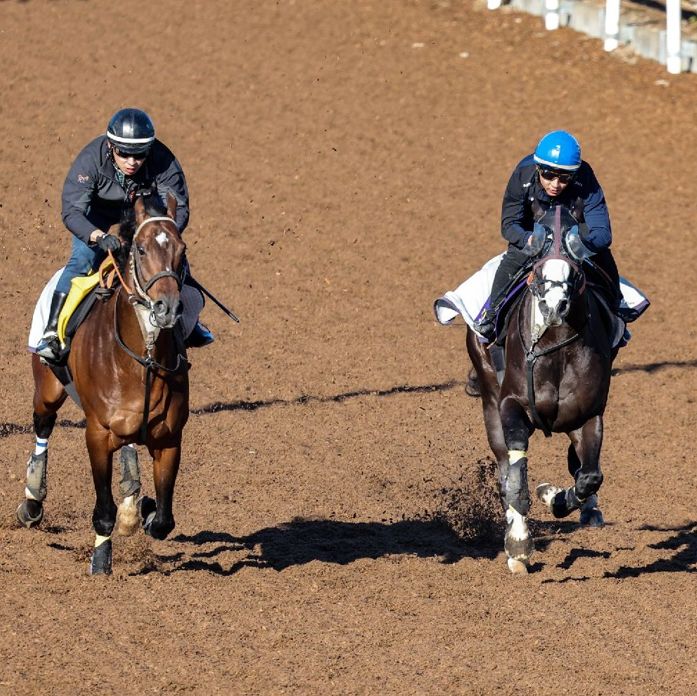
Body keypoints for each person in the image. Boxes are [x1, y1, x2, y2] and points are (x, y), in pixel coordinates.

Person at [36, 107, 213, 361]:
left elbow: (179, 206)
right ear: (111, 146)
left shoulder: (163, 159)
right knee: (82, 260)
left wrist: (163, 234)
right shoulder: (90, 160)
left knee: (170, 257)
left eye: (139, 155)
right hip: (97, 215)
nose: (132, 162)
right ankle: (52, 332)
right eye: (124, 154)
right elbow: (72, 211)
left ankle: (189, 323)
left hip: (144, 213)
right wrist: (98, 236)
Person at [474, 130, 621, 342]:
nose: (555, 184)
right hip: (534, 235)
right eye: (548, 175)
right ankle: (492, 314)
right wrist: (528, 240)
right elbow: (509, 225)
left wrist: (579, 244)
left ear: (574, 174)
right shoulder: (522, 174)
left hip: (573, 236)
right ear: (537, 168)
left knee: (604, 257)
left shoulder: (586, 178)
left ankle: (617, 310)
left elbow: (602, 233)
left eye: (564, 178)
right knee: (512, 260)